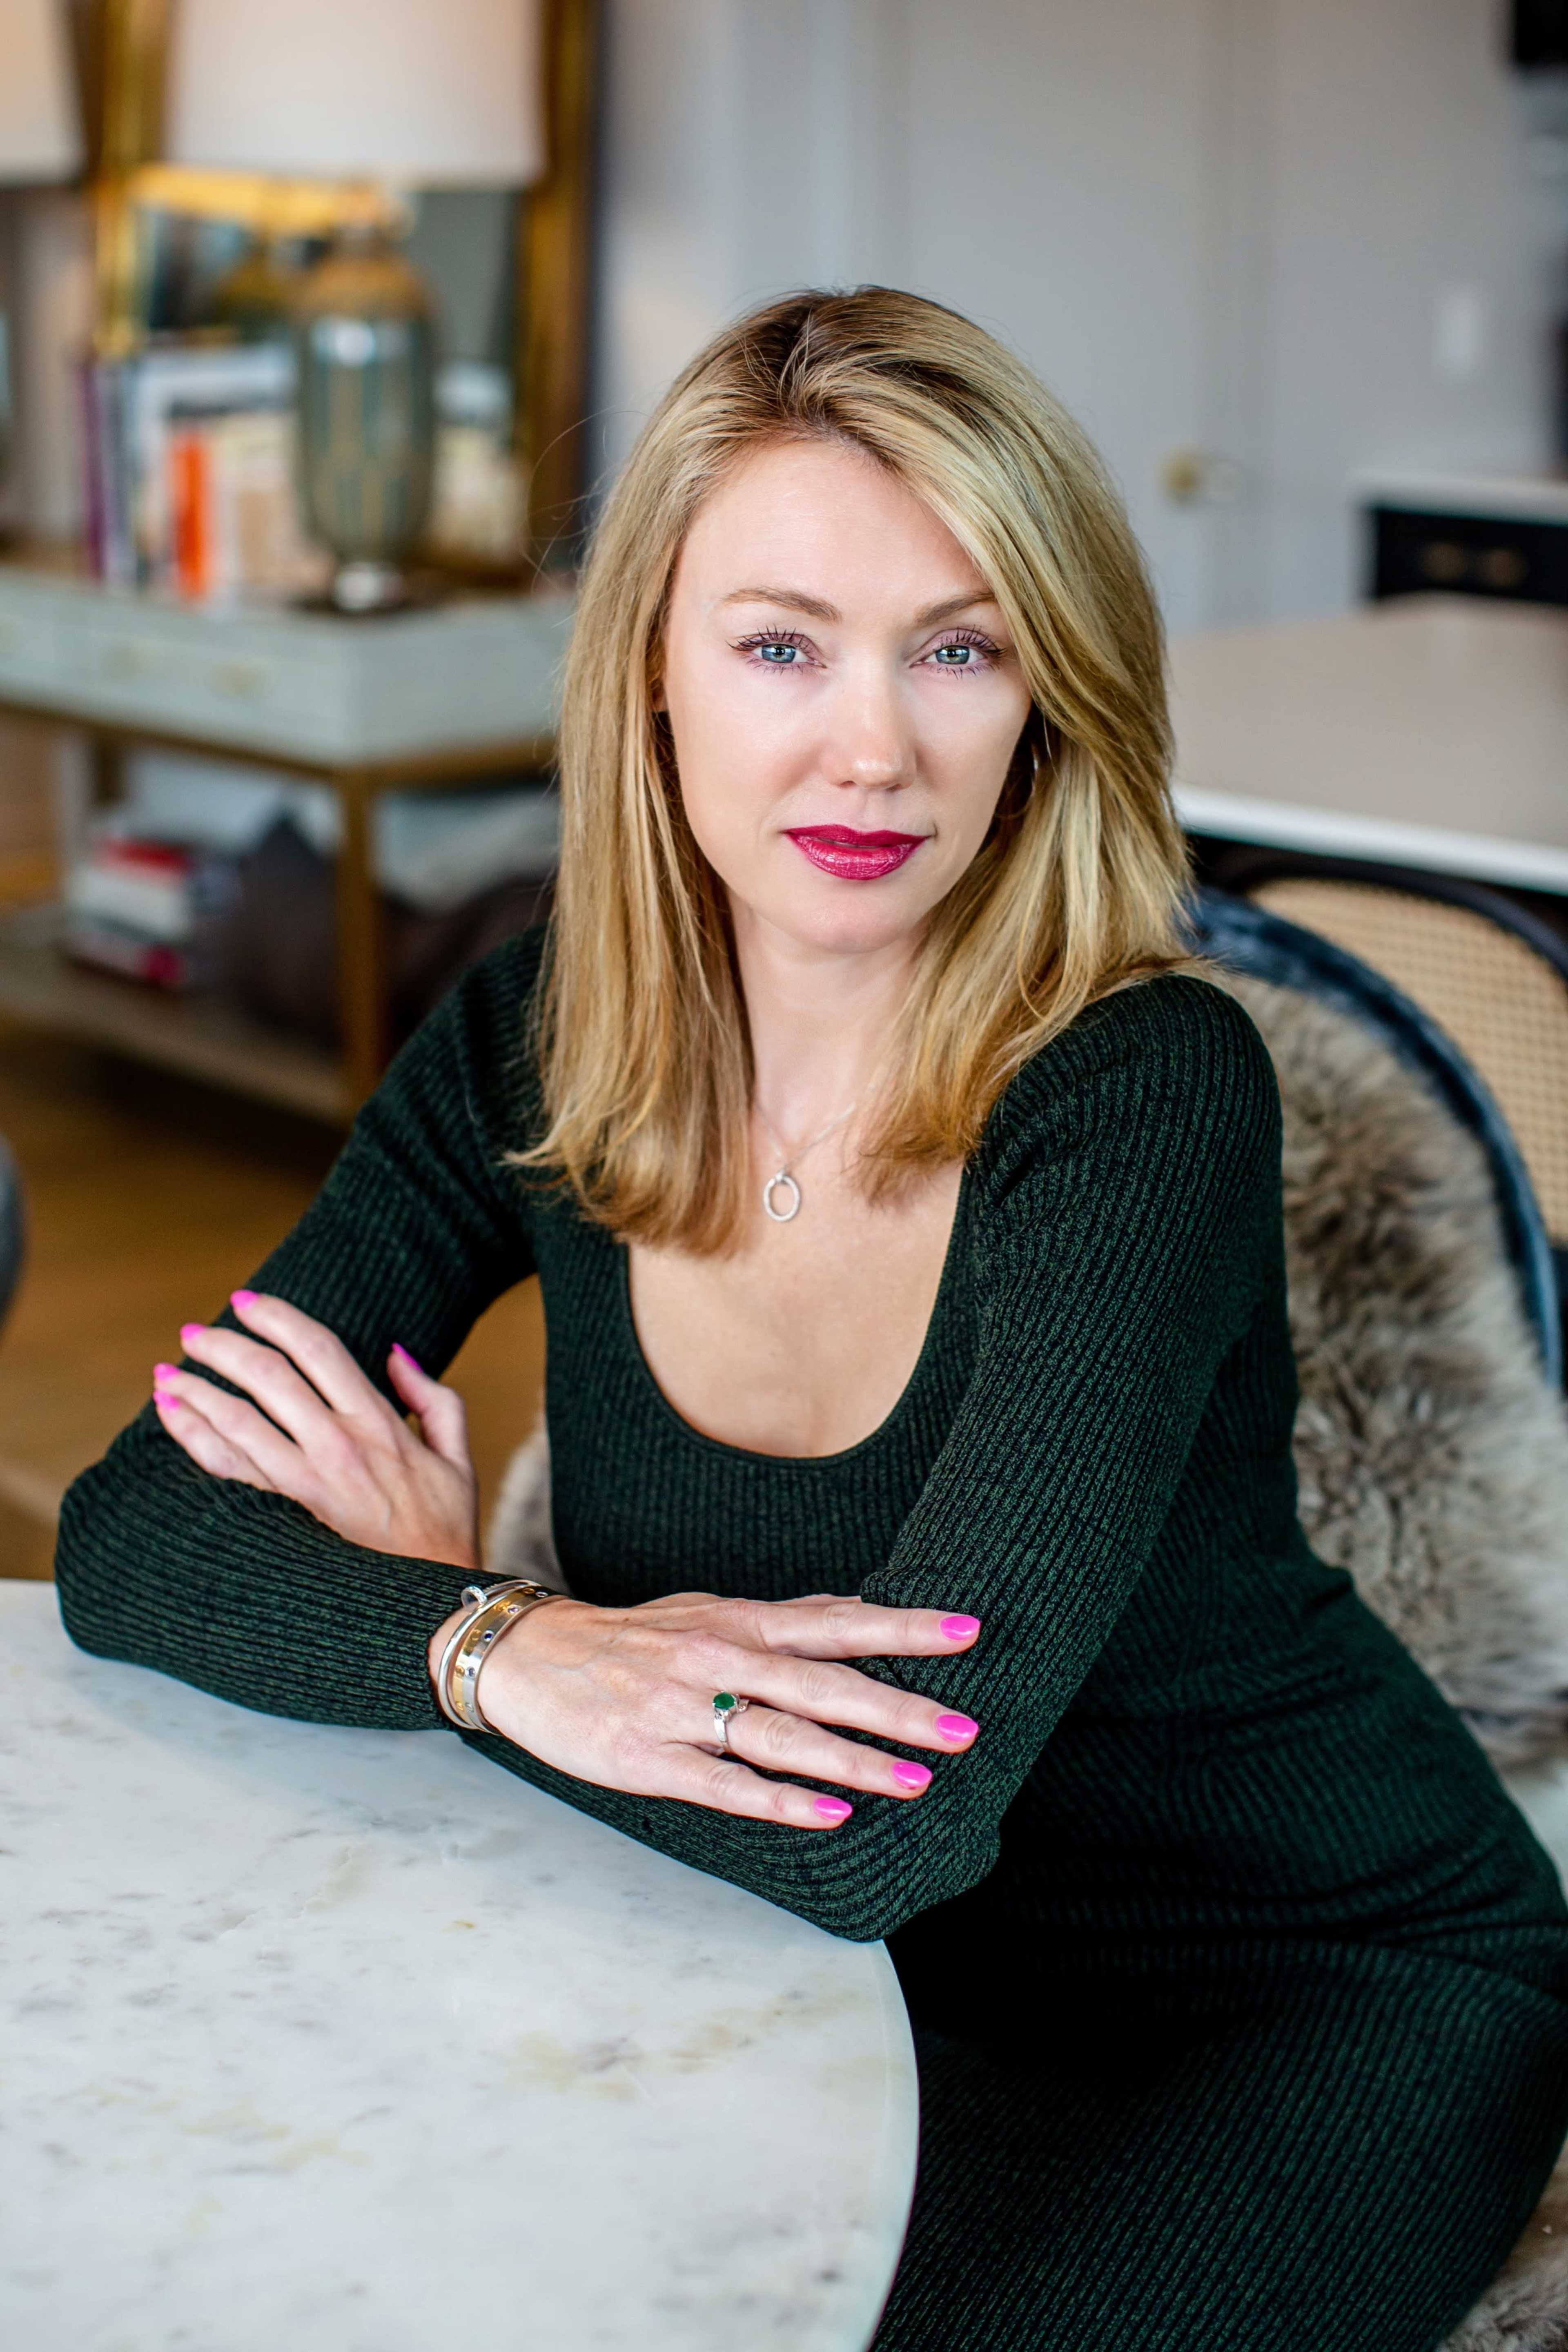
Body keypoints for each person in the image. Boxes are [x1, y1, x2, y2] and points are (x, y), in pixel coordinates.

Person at [57, 287, 1568, 2350]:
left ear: (1045, 695)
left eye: (959, 648)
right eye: (779, 644)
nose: (874, 746)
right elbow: (141, 1533)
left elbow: (893, 1829)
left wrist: (449, 1650)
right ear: (653, 680)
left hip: (1286, 1980)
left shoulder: (1139, 1096)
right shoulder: (533, 1040)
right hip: (791, 1956)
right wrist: (497, 1644)